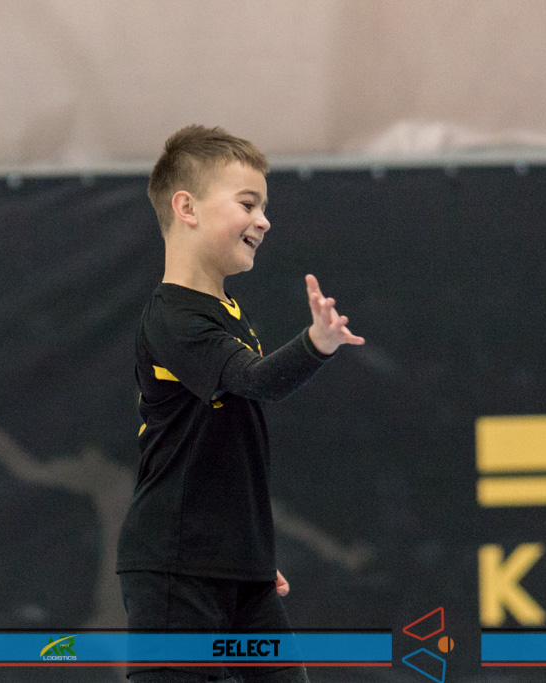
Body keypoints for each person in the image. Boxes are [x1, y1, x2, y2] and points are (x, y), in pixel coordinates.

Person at [116, 125, 364, 683]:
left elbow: (227, 445)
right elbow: (257, 380)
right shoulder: (172, 318)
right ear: (187, 208)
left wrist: (243, 552)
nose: (264, 220)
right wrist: (317, 343)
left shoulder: (226, 310)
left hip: (237, 571)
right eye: (248, 204)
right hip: (177, 571)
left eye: (264, 207)